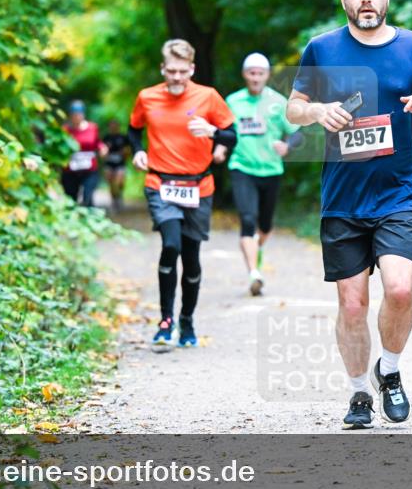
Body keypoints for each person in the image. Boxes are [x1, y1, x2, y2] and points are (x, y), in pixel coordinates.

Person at [286, 0, 412, 429]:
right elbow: (294, 109)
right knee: (352, 304)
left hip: (400, 191)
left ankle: (390, 371)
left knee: (399, 289)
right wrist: (317, 112)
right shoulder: (322, 48)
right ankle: (359, 393)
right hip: (343, 196)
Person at [129, 39, 237, 349]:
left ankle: (187, 321)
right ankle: (165, 319)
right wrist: (137, 151)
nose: (176, 78)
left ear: (192, 69)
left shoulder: (208, 97)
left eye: (182, 72)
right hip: (160, 184)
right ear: (162, 68)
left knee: (191, 258)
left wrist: (215, 135)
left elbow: (233, 136)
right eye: (171, 71)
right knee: (171, 244)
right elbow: (133, 129)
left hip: (198, 186)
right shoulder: (147, 97)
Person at [220, 52, 302, 296]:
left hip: (271, 169)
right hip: (242, 166)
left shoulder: (278, 102)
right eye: (251, 73)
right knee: (247, 218)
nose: (255, 77)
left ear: (267, 75)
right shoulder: (233, 101)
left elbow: (297, 132)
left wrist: (287, 146)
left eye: (260, 73)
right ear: (245, 75)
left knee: (265, 226)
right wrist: (221, 149)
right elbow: (224, 131)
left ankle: (256, 249)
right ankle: (253, 273)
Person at [61, 100, 107, 207]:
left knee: (88, 198)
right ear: (70, 115)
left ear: (83, 114)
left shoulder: (92, 128)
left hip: (89, 169)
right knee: (71, 199)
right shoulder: (65, 130)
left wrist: (102, 148)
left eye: (78, 114)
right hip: (70, 170)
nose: (76, 117)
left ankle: (90, 219)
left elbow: (97, 142)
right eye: (74, 115)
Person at [102, 120, 130, 214]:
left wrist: (124, 154)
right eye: (111, 125)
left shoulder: (123, 137)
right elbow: (102, 151)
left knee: (119, 181)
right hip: (109, 163)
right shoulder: (106, 138)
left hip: (120, 163)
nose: (113, 127)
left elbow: (128, 151)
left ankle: (119, 196)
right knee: (111, 182)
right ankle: (114, 200)